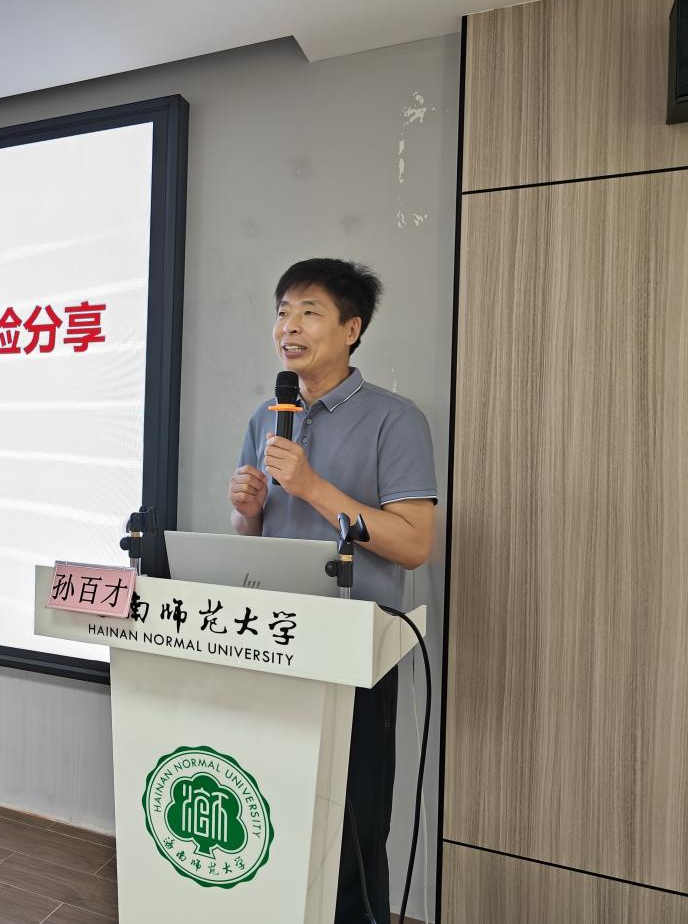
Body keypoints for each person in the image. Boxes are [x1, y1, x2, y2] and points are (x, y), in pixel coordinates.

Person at [228, 258, 437, 924]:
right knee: (270, 808)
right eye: (283, 312)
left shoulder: (395, 420)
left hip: (354, 649)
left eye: (309, 312)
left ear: (352, 328)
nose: (289, 326)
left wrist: (312, 487)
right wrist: (248, 510)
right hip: (274, 639)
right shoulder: (268, 416)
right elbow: (256, 535)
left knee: (351, 824)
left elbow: (414, 543)